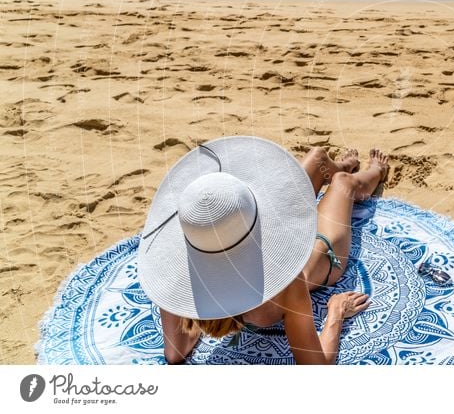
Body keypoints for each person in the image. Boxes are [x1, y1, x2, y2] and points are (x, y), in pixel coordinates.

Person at [137, 137, 390, 365]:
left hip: (258, 240)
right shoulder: (286, 281)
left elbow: (175, 353)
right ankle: (374, 173)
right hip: (321, 253)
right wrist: (336, 311)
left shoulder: (181, 266)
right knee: (342, 183)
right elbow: (316, 368)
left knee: (317, 158)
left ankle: (336, 167)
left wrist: (200, 317)